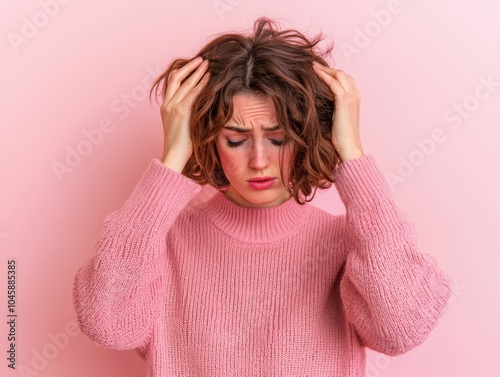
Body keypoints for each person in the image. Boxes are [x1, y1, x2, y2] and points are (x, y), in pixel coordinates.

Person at [72, 17, 451, 376]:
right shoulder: (161, 244)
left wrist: (351, 152)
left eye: (279, 138)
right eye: (236, 140)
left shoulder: (350, 246)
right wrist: (173, 159)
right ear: (208, 140)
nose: (259, 161)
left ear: (307, 138)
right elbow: (108, 324)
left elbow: (402, 327)